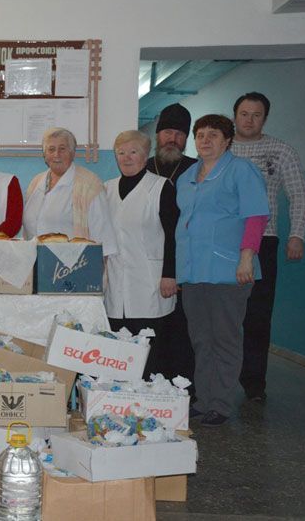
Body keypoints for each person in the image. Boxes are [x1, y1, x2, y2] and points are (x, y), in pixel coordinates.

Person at [176, 114, 269, 427]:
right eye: (200, 135)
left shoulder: (241, 170)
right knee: (201, 340)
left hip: (229, 269)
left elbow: (256, 217)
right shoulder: (187, 176)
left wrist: (246, 258)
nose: (205, 140)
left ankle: (220, 404)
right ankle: (203, 401)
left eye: (213, 135)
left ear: (227, 140)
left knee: (224, 339)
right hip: (193, 270)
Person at [231, 92, 305, 402]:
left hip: (264, 241)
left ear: (265, 118)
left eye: (257, 115)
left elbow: (299, 194)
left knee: (258, 316)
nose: (249, 120)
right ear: (234, 116)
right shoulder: (222, 148)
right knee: (218, 315)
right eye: (244, 114)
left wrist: (297, 235)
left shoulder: (281, 151)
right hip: (223, 242)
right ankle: (211, 381)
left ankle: (254, 383)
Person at [105, 130, 178, 378]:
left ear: (146, 155)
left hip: (151, 281)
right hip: (116, 280)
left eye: (133, 152)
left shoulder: (160, 187)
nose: (126, 157)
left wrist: (170, 274)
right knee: (119, 348)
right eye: (121, 152)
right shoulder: (107, 189)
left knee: (149, 349)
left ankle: (149, 392)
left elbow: (173, 235)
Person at [145, 103, 198, 387]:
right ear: (157, 135)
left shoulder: (195, 170)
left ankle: (183, 388)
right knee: (153, 328)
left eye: (179, 134)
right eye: (167, 132)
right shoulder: (143, 167)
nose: (172, 139)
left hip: (185, 261)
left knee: (182, 329)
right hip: (147, 261)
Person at [22, 128, 117, 256]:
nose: (56, 154)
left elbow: (103, 238)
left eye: (62, 149)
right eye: (51, 149)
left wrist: (99, 264)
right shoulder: (36, 182)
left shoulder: (90, 184)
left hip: (73, 263)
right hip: (35, 261)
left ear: (72, 153)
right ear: (45, 155)